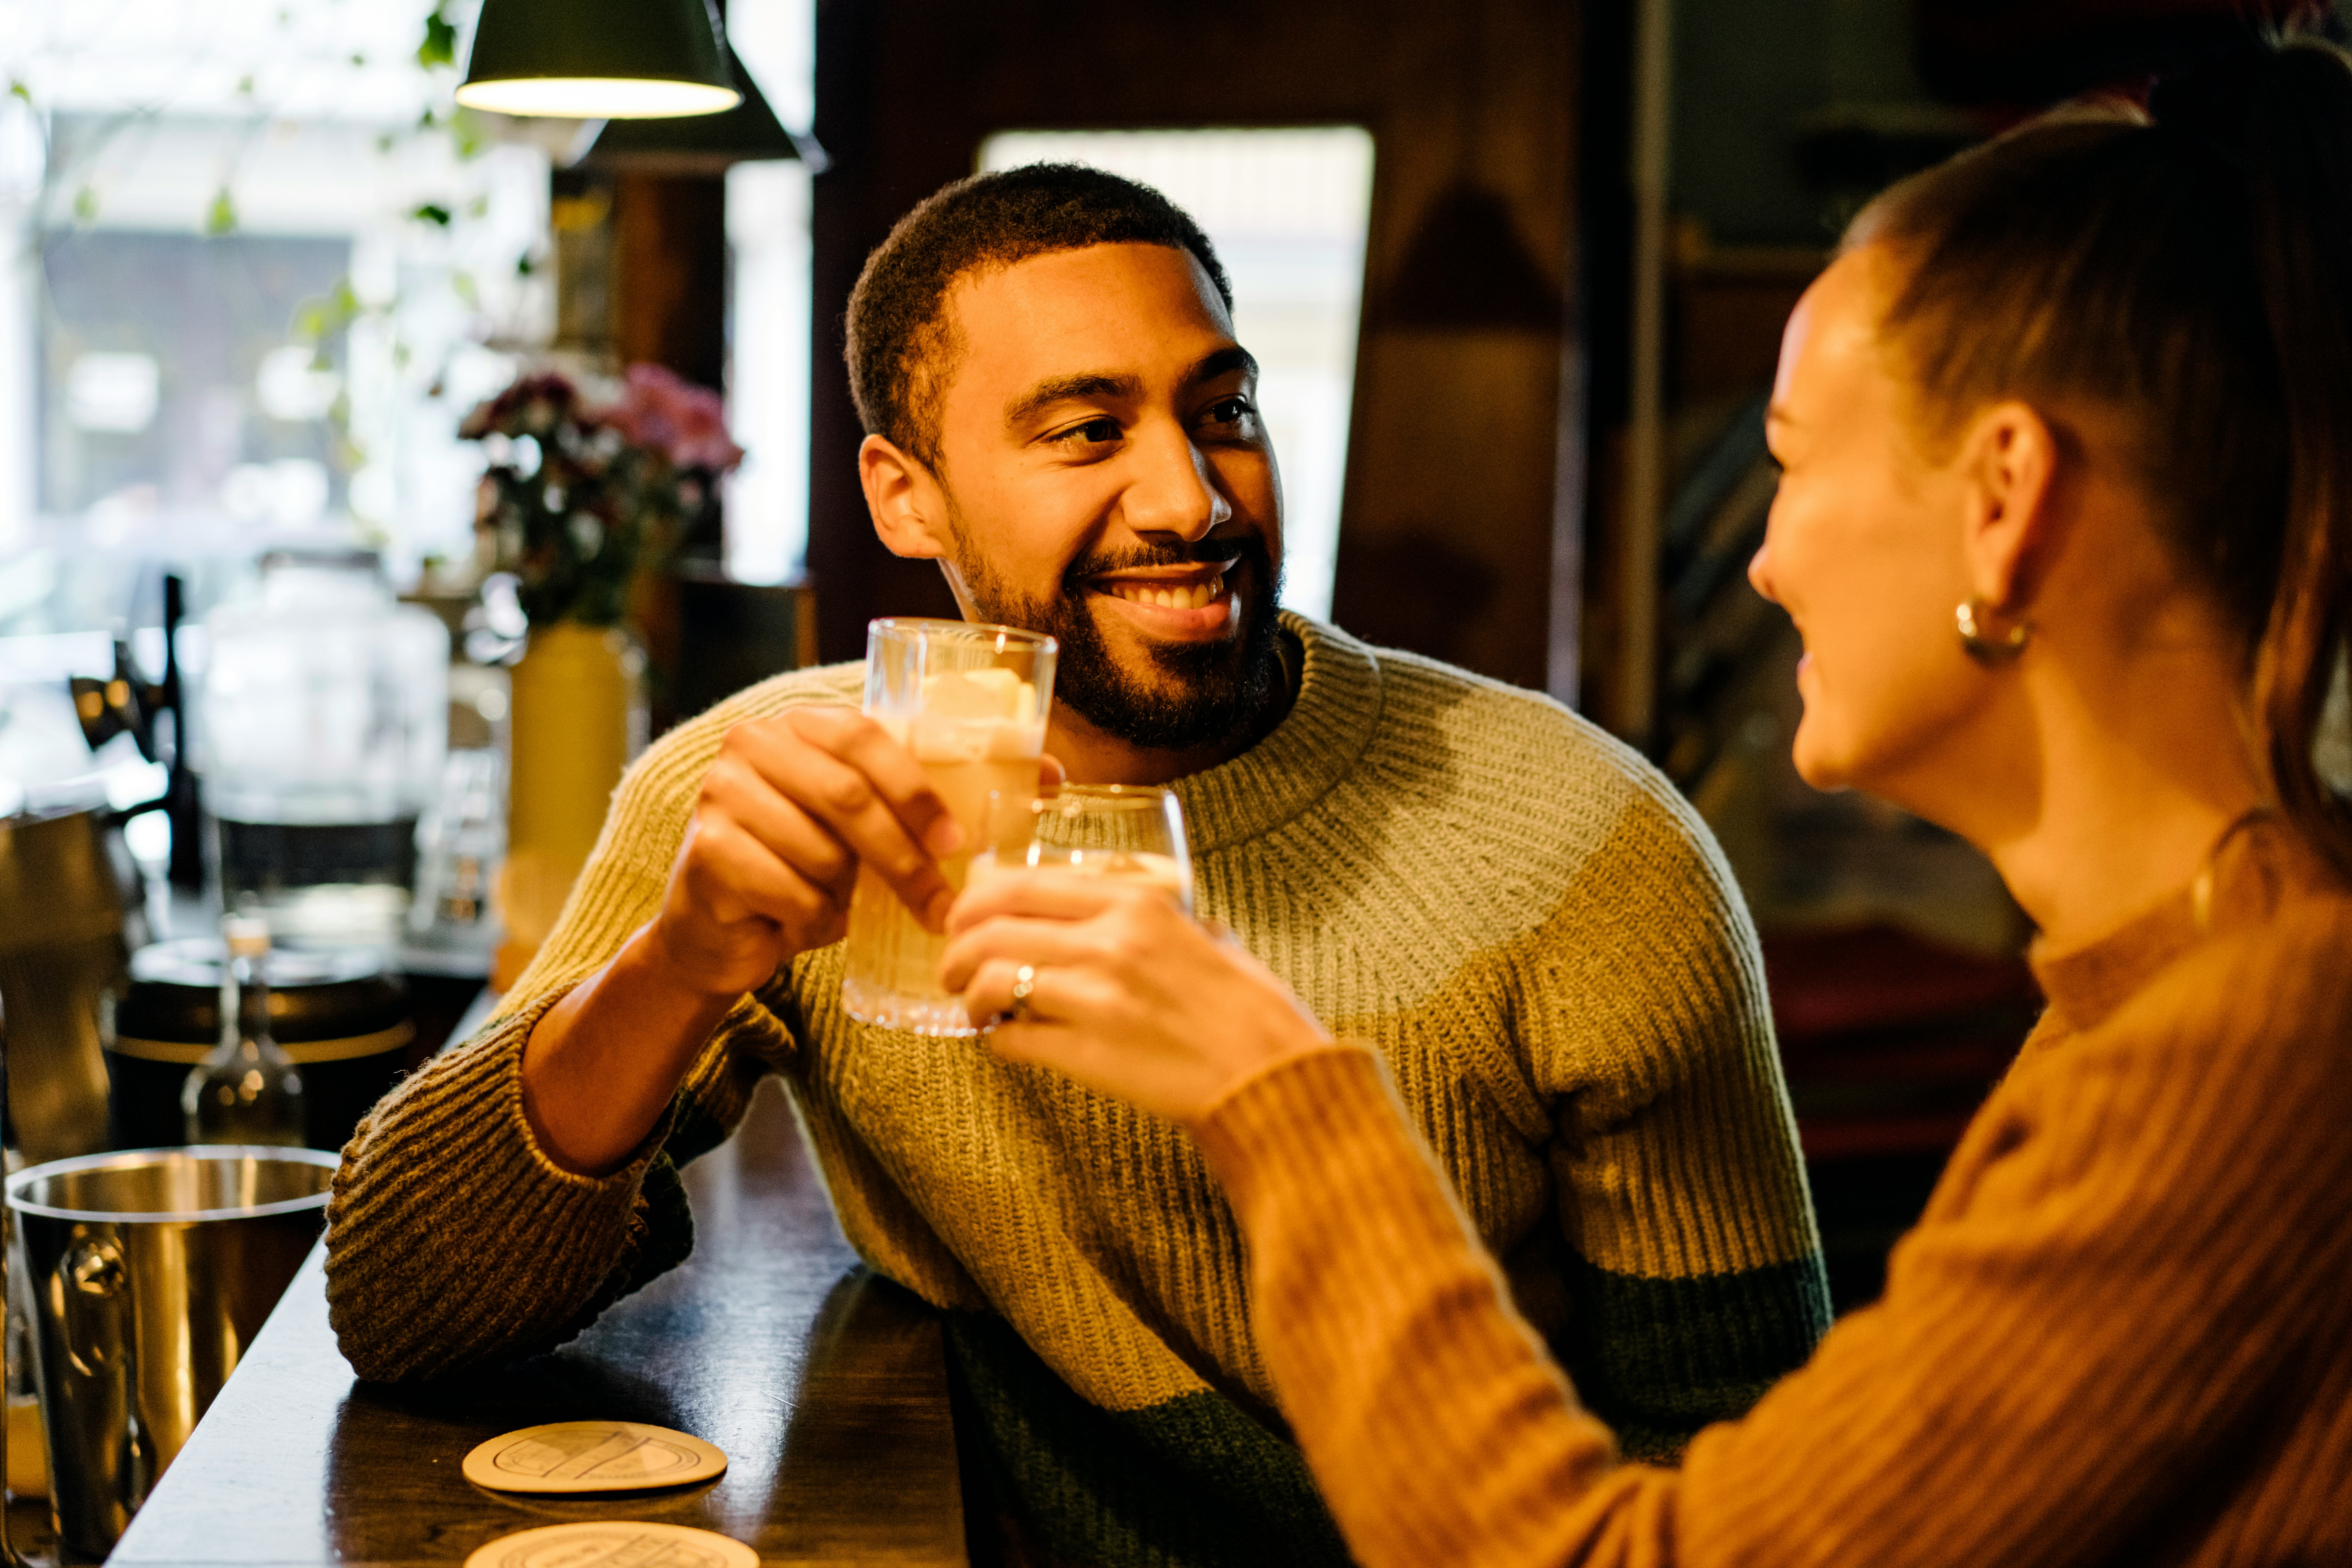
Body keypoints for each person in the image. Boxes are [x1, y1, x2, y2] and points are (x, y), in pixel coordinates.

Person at [938, 36, 2352, 1567]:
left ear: (2003, 502)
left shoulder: (2263, 1029)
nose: (1764, 559)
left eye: (1791, 463)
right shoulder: (2157, 986)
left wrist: (1274, 1092)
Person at [324, 167, 1830, 1563]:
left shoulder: (1583, 845)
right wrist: (678, 965)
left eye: (1223, 410)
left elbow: (1752, 1481)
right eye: (1088, 431)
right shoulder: (789, 794)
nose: (1193, 499)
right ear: (904, 495)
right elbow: (399, 1302)